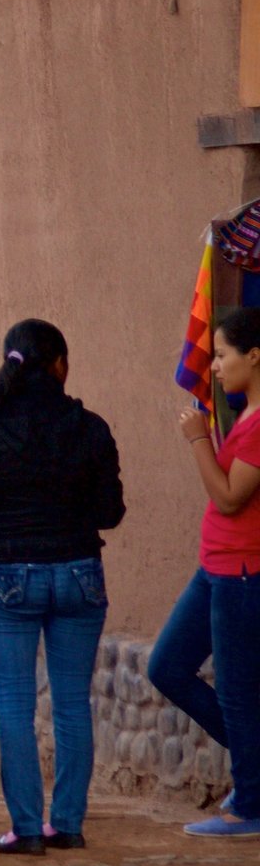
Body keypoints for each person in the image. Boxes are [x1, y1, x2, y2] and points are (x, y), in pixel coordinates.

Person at [0, 319, 125, 855]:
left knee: (15, 705)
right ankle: (67, 824)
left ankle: (25, 829)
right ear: (61, 365)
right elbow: (109, 513)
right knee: (73, 704)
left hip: (8, 577)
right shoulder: (90, 427)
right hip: (79, 574)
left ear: (9, 361)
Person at [158, 304, 260, 838]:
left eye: (222, 355)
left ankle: (250, 805)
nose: (215, 367)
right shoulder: (243, 414)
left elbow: (228, 497)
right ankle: (257, 773)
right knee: (167, 666)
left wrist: (198, 440)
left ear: (254, 356)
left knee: (239, 690)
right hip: (215, 567)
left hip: (244, 572)